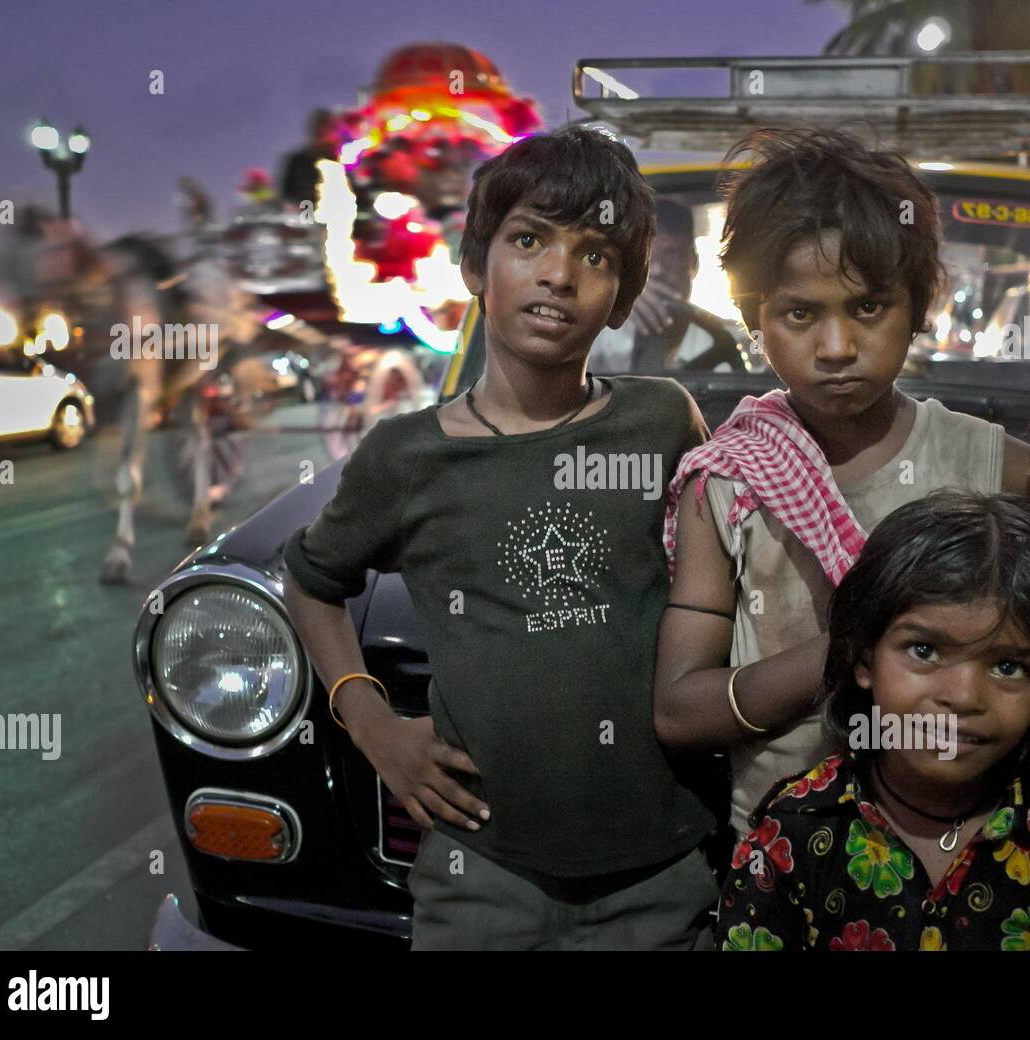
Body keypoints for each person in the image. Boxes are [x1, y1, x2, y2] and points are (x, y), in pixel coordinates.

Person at [282, 126, 719, 950]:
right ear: (476, 265)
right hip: (481, 877)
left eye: (596, 255)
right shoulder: (407, 457)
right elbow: (311, 580)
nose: (559, 273)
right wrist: (371, 721)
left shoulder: (662, 421)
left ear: (624, 295)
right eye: (528, 241)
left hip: (661, 875)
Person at [653, 128, 1030, 842]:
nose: (836, 349)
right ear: (752, 319)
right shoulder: (729, 482)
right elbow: (679, 711)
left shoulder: (990, 465)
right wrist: (853, 648)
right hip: (787, 866)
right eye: (800, 314)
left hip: (965, 857)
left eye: (868, 308)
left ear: (919, 306)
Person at [716, 491, 1030, 951]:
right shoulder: (791, 838)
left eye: (1008, 666)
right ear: (864, 660)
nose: (963, 697)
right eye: (923, 651)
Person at [589, 199, 738, 371]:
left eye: (671, 254)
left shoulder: (728, 339)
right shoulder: (601, 334)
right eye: (647, 256)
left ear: (693, 263)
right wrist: (621, 302)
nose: (658, 270)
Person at [279, 108, 339, 208]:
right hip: (306, 211)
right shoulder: (298, 161)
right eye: (320, 131)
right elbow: (288, 193)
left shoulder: (340, 161)